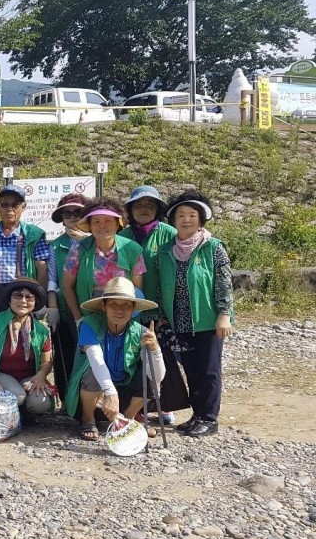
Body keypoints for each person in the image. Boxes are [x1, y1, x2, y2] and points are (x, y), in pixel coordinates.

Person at [156, 191, 233, 438]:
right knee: (190, 368)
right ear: (173, 220)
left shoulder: (213, 247)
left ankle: (209, 418)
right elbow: (160, 285)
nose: (186, 220)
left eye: (192, 215)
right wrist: (161, 315)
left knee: (208, 370)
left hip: (207, 320)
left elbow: (223, 283)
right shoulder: (166, 250)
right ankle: (197, 415)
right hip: (178, 321)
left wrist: (224, 313)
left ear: (201, 219)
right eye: (181, 215)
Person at [119, 185, 190, 421]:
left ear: (158, 209)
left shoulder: (169, 233)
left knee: (162, 357)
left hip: (162, 309)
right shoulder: (122, 237)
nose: (144, 209)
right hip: (129, 307)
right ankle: (138, 407)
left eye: (150, 205)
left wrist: (164, 310)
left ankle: (165, 405)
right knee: (134, 358)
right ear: (130, 210)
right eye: (138, 205)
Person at [65, 277, 165, 441]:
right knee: (92, 371)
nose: (120, 310)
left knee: (149, 375)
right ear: (104, 306)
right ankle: (88, 418)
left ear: (134, 309)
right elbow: (96, 360)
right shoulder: (89, 324)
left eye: (126, 305)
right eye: (113, 304)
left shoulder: (141, 332)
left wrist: (155, 350)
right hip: (93, 395)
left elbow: (158, 377)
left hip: (123, 394)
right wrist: (110, 393)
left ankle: (127, 419)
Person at [0, 185, 57, 329]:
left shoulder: (34, 233)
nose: (10, 208)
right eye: (5, 204)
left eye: (15, 204)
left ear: (23, 207)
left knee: (23, 330)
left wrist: (40, 298)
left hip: (23, 290)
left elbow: (42, 267)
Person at [62, 198, 146, 324]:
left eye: (108, 220)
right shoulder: (78, 250)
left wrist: (130, 318)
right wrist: (79, 318)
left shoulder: (132, 249)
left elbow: (137, 289)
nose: (102, 226)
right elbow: (67, 286)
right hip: (90, 318)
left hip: (123, 317)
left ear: (118, 224)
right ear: (90, 225)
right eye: (96, 221)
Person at [0, 278, 54, 420]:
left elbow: (46, 362)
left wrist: (40, 375)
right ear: (9, 300)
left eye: (29, 297)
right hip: (0, 374)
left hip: (28, 377)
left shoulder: (41, 331)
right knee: (17, 396)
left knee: (41, 404)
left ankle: (24, 413)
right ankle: (12, 414)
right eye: (18, 296)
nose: (23, 301)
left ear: (35, 302)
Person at [48, 193, 90, 402]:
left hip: (93, 309)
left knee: (89, 356)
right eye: (68, 213)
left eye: (78, 212)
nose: (73, 217)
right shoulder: (55, 245)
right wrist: (53, 308)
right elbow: (52, 280)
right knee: (67, 353)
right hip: (65, 310)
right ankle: (69, 401)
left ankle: (90, 402)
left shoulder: (94, 242)